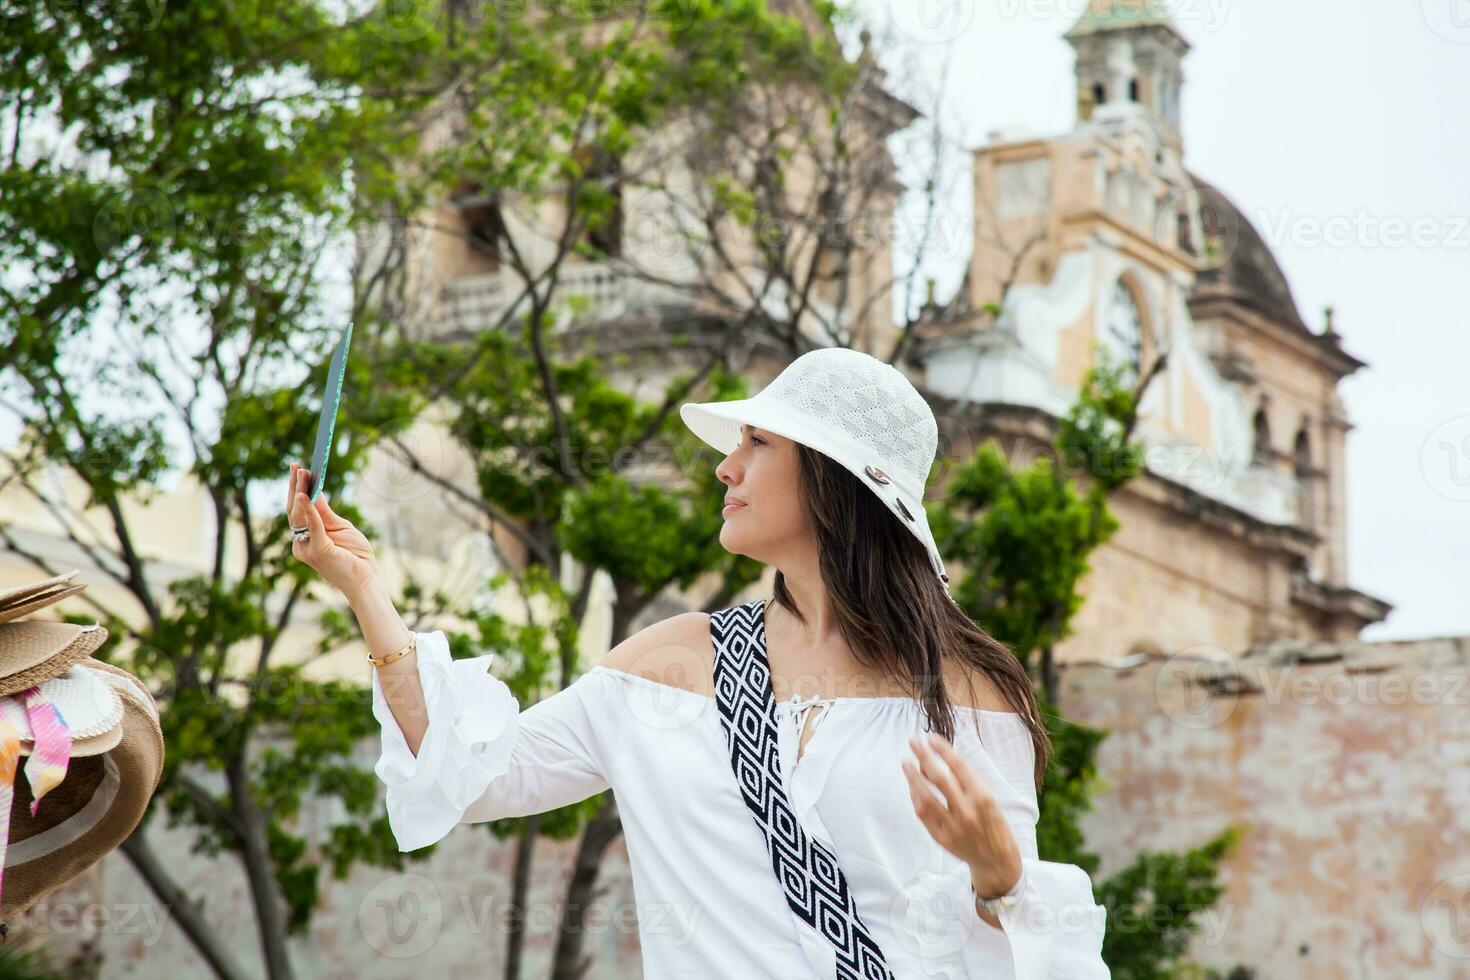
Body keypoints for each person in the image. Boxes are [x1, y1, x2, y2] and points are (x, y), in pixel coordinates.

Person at [287, 347, 1109, 978]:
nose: (726, 464)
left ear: (832, 479)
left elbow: (1032, 945)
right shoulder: (675, 663)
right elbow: (466, 771)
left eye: (757, 441)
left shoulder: (966, 690)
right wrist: (364, 590)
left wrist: (1001, 876)